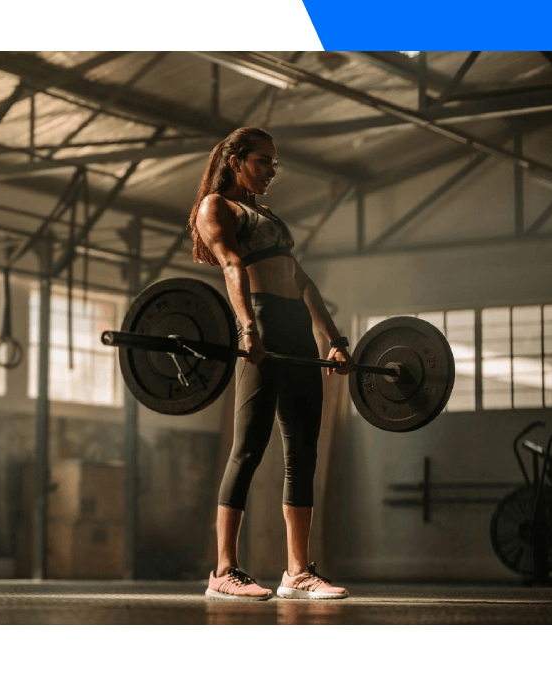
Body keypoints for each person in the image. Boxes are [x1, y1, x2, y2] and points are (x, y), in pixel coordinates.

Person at [189, 127, 354, 601]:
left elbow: (301, 279)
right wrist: (247, 328)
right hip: (260, 320)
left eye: (274, 164)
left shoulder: (270, 217)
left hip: (297, 328)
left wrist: (336, 340)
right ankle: (223, 571)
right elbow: (232, 266)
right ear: (236, 160)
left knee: (303, 450)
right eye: (263, 162)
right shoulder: (216, 207)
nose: (271, 171)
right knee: (249, 448)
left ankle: (297, 573)